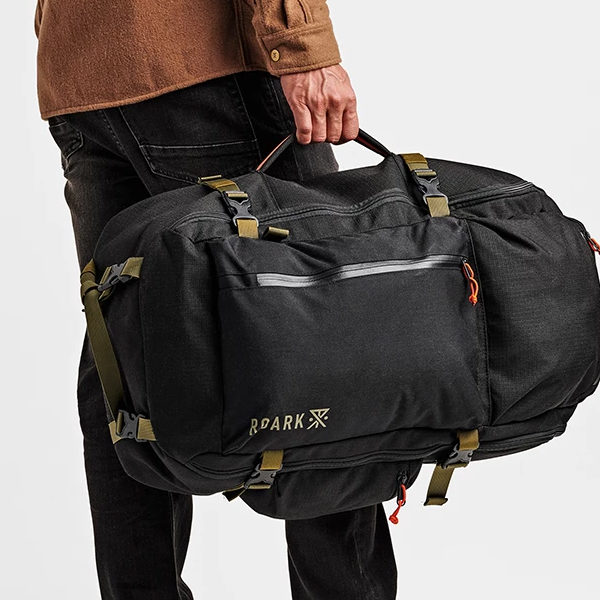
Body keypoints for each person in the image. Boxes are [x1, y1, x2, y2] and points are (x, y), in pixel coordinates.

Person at [35, 1, 398, 598]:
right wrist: (300, 41)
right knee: (317, 344)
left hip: (80, 68)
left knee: (125, 366)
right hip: (198, 55)